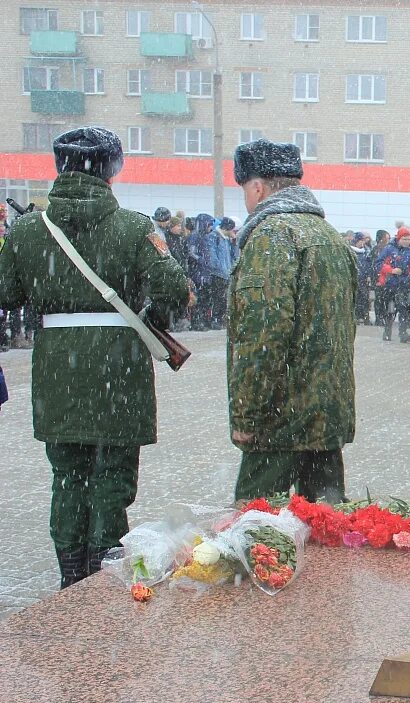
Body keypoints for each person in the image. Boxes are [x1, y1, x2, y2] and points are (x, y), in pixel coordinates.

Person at [0, 127, 189, 587]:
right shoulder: (133, 226)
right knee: (112, 473)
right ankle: (104, 569)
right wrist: (148, 314)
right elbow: (174, 289)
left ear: (58, 166)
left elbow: (6, 293)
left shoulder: (27, 230)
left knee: (66, 474)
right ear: (114, 169)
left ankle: (70, 571)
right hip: (118, 367)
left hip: (56, 369)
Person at [227, 138, 357, 503]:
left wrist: (247, 417)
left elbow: (263, 335)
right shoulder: (330, 236)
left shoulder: (271, 236)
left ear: (257, 187)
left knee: (254, 532)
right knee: (327, 533)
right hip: (326, 419)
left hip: (280, 422)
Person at [186, 213, 232, 330]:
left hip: (206, 273)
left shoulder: (206, 236)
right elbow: (192, 253)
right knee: (199, 299)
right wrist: (204, 261)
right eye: (209, 224)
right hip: (198, 273)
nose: (211, 227)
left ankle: (204, 321)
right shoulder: (195, 236)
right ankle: (197, 322)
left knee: (206, 298)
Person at [376, 226, 410, 342]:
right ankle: (387, 331)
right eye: (404, 239)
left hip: (403, 284)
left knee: (404, 309)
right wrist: (391, 270)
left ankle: (403, 333)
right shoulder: (389, 249)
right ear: (399, 238)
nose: (406, 242)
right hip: (390, 284)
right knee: (390, 310)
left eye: (408, 239)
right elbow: (378, 263)